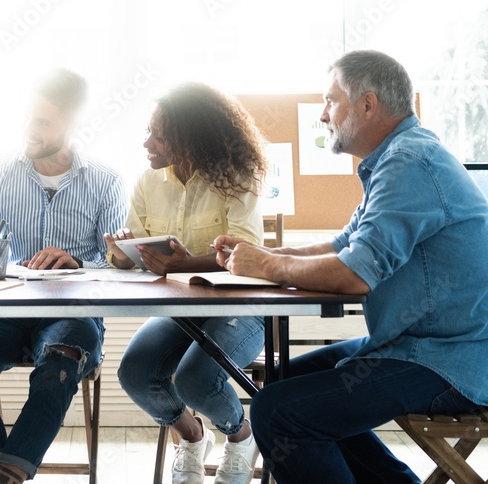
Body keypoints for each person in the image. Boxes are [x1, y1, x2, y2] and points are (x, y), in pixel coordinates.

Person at [216, 50, 488, 483]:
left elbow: (354, 274)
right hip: (418, 344)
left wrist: (267, 265)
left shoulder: (408, 163)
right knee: (289, 378)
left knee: (279, 412)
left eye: (330, 100)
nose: (323, 115)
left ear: (367, 104)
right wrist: (266, 256)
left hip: (448, 359)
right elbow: (346, 245)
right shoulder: (397, 156)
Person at [0, 68, 127, 484]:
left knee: (60, 361)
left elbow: (119, 263)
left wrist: (79, 263)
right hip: (1, 311)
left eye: (43, 122)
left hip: (73, 316)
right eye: (28, 117)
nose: (30, 130)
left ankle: (8, 475)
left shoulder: (106, 181)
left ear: (73, 125)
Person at [107, 82, 268, 484]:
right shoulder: (148, 181)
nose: (147, 142)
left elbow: (245, 255)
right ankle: (193, 437)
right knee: (135, 372)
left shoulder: (236, 177)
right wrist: (120, 254)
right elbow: (136, 253)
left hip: (239, 310)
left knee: (195, 379)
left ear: (190, 137)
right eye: (148, 130)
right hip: (181, 312)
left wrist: (184, 263)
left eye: (158, 134)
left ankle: (241, 435)